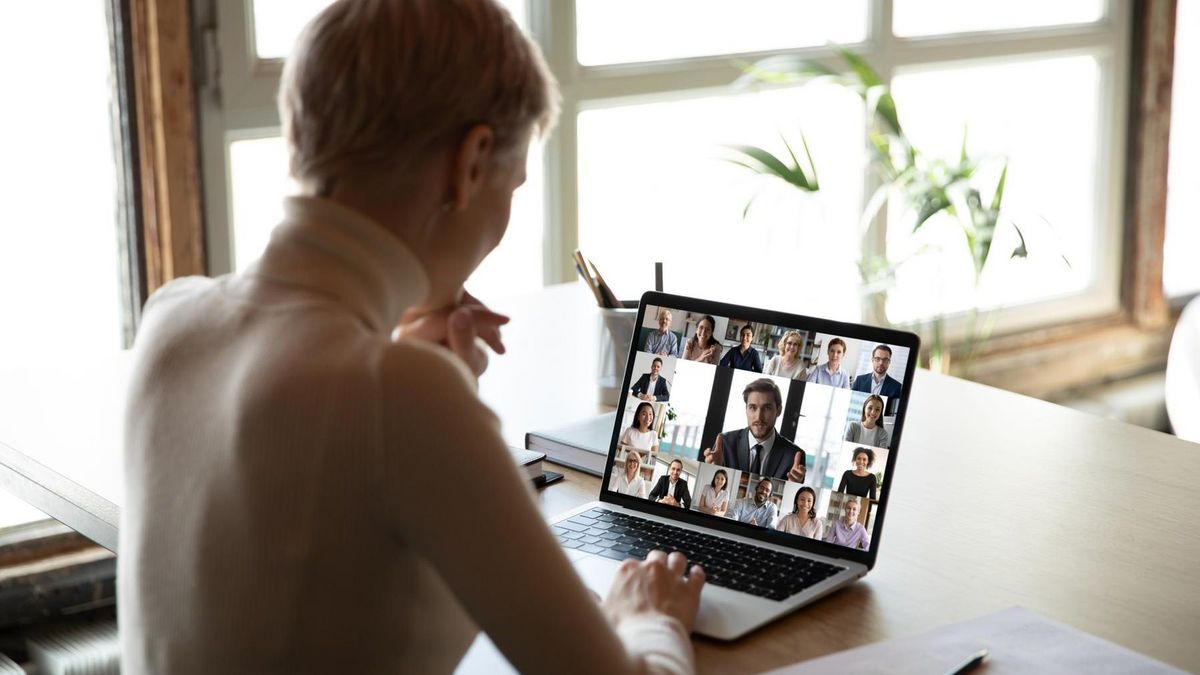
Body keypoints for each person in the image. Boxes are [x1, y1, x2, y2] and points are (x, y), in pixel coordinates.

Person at [119, 2, 705, 672]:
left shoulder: (172, 318)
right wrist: (650, 620)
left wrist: (416, 370)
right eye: (511, 185)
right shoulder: (396, 394)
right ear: (471, 162)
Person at [701, 378, 806, 482]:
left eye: (767, 408)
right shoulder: (724, 444)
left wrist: (794, 485)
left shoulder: (794, 456)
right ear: (746, 409)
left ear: (778, 410)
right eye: (752, 407)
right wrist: (712, 470)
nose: (758, 417)